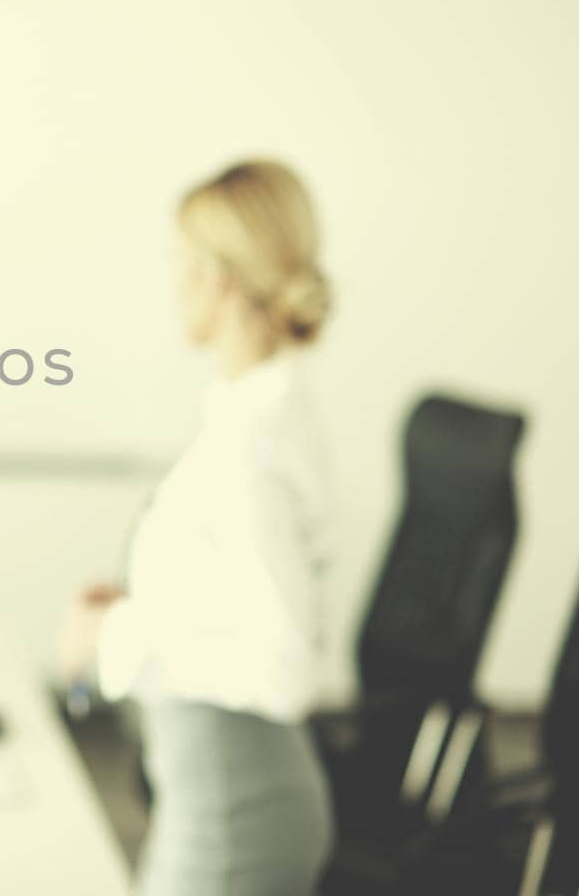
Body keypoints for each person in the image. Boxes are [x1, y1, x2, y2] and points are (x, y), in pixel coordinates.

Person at [59, 160, 337, 896]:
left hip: (235, 818)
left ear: (218, 277)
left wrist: (111, 636)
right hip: (219, 798)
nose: (175, 284)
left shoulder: (254, 445)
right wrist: (132, 607)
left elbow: (284, 670)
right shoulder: (256, 411)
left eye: (181, 264)